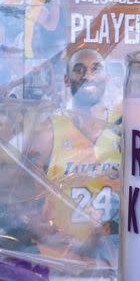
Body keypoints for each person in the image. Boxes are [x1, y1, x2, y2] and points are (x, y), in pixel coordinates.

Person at [25, 48, 120, 262]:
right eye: (79, 70)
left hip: (113, 257)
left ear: (107, 77)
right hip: (63, 258)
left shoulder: (125, 127)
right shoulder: (48, 131)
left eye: (96, 69)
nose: (87, 76)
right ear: (67, 80)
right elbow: (23, 201)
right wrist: (53, 237)